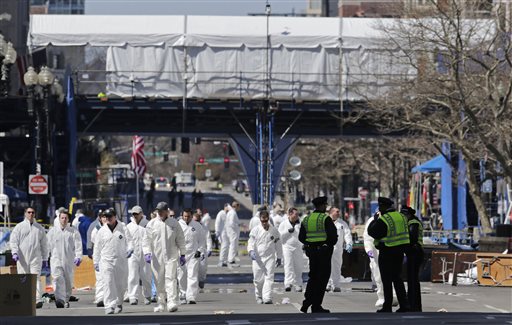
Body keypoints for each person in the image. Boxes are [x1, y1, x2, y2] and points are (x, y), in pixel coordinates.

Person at [142, 202, 186, 312]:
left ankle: (171, 302)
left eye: (162, 211)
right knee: (158, 281)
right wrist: (147, 252)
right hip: (157, 257)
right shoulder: (152, 224)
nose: (160, 213)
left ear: (167, 211)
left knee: (171, 279)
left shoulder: (174, 223)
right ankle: (161, 302)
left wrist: (183, 254)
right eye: (158, 211)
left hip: (171, 256)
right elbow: (146, 240)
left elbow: (180, 239)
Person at [368, 197, 410, 313]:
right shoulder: (401, 216)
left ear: (382, 207)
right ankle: (404, 305)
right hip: (400, 251)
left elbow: (372, 232)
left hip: (387, 251)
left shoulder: (385, 219)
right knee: (397, 278)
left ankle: (387, 306)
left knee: (386, 280)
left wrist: (375, 219)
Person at [298, 196, 337, 313]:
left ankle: (307, 302)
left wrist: (309, 245)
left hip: (312, 253)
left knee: (313, 277)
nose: (326, 207)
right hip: (323, 253)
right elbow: (333, 237)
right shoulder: (325, 219)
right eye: (325, 205)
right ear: (322, 206)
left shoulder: (307, 219)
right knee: (322, 279)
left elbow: (301, 237)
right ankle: (316, 306)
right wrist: (327, 245)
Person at [93, 208, 134, 314]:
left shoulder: (123, 228)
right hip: (106, 261)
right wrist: (96, 262)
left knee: (121, 284)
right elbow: (97, 248)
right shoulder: (102, 231)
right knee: (108, 283)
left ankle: (119, 302)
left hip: (121, 260)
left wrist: (130, 249)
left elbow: (130, 241)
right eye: (106, 217)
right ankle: (109, 305)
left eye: (110, 217)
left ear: (115, 217)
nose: (108, 219)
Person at [9, 207, 49, 309]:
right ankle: (24, 298)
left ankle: (37, 300)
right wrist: (14, 252)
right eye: (29, 212)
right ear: (25, 214)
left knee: (36, 278)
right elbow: (13, 241)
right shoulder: (19, 227)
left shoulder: (39, 228)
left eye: (33, 212)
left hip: (36, 258)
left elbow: (44, 244)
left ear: (35, 214)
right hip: (22, 258)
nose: (31, 214)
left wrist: (45, 258)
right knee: (23, 278)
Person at [47, 209, 82, 308]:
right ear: (59, 219)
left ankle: (66, 299)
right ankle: (59, 299)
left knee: (68, 280)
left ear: (68, 219)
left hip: (68, 260)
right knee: (57, 279)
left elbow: (78, 245)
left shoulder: (73, 231)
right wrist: (45, 258)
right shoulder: (53, 231)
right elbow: (47, 245)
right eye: (62, 218)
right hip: (56, 259)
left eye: (66, 218)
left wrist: (78, 256)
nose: (64, 220)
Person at [247, 210, 282, 304]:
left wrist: (279, 256)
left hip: (270, 257)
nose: (264, 223)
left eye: (266, 221)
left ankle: (267, 297)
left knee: (269, 278)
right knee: (258, 280)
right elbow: (250, 242)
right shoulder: (256, 230)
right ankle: (258, 295)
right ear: (260, 219)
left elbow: (278, 244)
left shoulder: (274, 230)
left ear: (268, 219)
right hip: (258, 258)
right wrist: (251, 251)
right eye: (263, 221)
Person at [178, 209, 206, 304]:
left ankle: (191, 296)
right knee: (181, 275)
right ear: (182, 216)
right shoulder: (178, 225)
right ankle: (183, 293)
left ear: (191, 216)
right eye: (185, 216)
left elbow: (202, 240)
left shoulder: (197, 226)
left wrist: (199, 250)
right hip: (181, 254)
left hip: (193, 254)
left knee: (192, 275)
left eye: (188, 216)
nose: (186, 218)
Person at [126, 205, 152, 305]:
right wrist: (127, 250)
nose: (135, 215)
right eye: (133, 214)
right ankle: (133, 296)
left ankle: (147, 295)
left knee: (146, 275)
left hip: (145, 254)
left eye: (137, 214)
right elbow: (127, 241)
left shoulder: (148, 224)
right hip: (133, 254)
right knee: (132, 275)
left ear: (141, 214)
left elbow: (151, 239)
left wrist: (149, 252)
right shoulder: (129, 226)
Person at [402, 206, 424, 312]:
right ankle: (413, 304)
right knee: (412, 280)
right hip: (414, 252)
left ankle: (413, 305)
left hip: (415, 252)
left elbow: (412, 238)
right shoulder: (412, 222)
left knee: (413, 281)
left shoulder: (413, 223)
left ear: (408, 214)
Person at [327, 206, 353, 292]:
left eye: (339, 212)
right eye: (337, 211)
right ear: (331, 212)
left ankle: (336, 285)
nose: (338, 213)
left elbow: (347, 234)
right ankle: (327, 284)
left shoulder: (342, 224)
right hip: (326, 248)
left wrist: (349, 243)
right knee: (327, 267)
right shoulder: (325, 222)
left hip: (337, 250)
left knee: (337, 267)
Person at [278, 207, 304, 292]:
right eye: (295, 214)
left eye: (297, 214)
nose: (296, 216)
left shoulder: (300, 224)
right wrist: (288, 232)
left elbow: (305, 235)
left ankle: (298, 284)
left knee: (298, 266)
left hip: (298, 247)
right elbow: (279, 237)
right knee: (288, 265)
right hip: (287, 247)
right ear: (290, 214)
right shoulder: (284, 224)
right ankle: (288, 283)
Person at [91, 210, 107, 307]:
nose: (105, 219)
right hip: (100, 256)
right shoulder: (97, 228)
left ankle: (109, 297)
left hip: (110, 256)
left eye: (106, 217)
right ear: (100, 218)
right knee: (100, 278)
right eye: (103, 217)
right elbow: (94, 241)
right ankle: (100, 297)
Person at [194, 211, 212, 289]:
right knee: (192, 269)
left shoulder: (204, 228)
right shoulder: (189, 227)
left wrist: (209, 249)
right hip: (192, 251)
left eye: (197, 220)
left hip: (202, 251)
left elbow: (208, 238)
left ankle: (201, 280)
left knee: (202, 267)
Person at [225, 201, 240, 266]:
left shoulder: (231, 212)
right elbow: (231, 223)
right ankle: (231, 260)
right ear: (236, 206)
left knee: (233, 245)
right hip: (233, 232)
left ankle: (231, 259)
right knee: (233, 245)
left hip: (231, 231)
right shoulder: (233, 213)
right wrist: (238, 225)